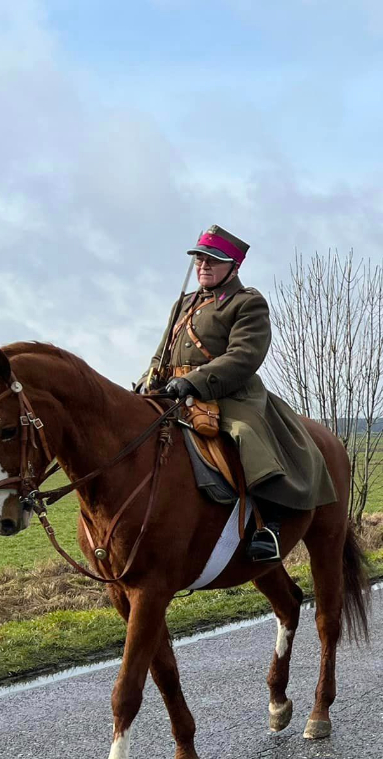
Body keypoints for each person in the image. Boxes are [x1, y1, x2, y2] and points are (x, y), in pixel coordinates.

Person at [140, 225, 337, 562]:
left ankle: (269, 525)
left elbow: (243, 356)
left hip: (229, 395)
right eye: (200, 259)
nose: (203, 265)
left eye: (212, 260)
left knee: (246, 436)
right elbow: (162, 353)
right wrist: (148, 382)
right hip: (174, 394)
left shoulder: (247, 303)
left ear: (234, 266)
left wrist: (196, 381)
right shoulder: (184, 303)